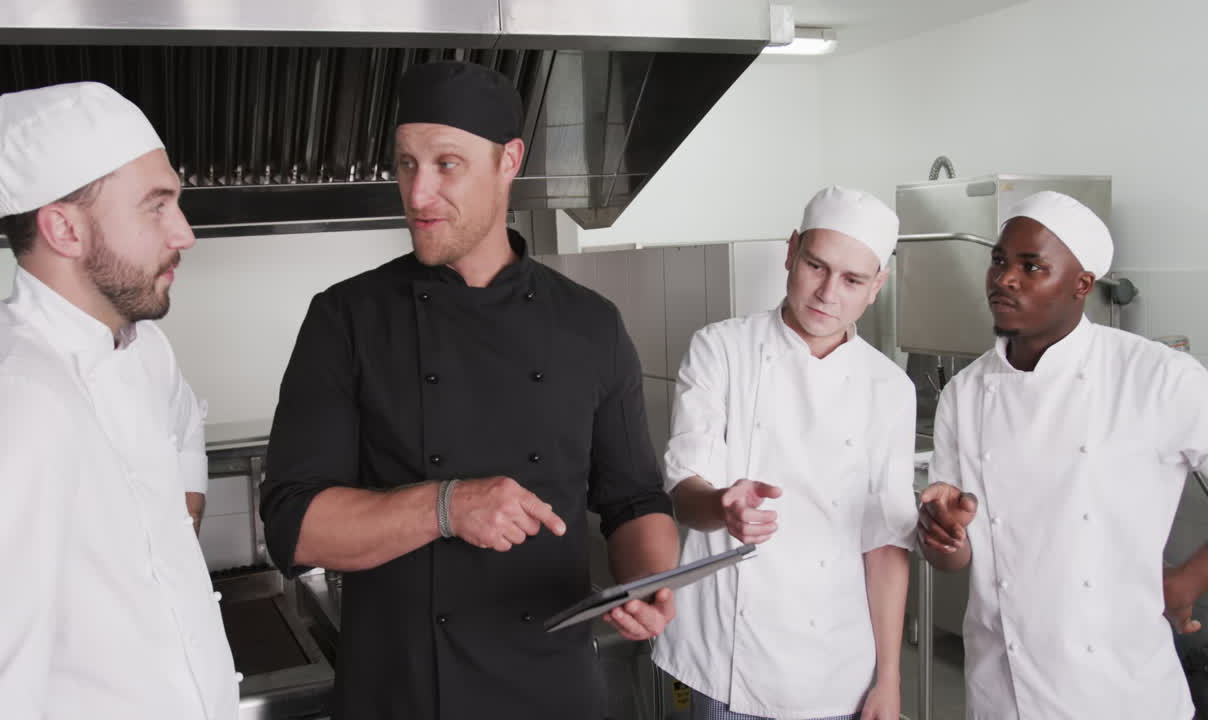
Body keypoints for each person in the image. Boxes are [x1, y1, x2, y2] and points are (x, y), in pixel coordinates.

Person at [259, 60, 680, 720]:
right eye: (405, 164)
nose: (417, 192)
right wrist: (446, 506)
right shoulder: (346, 319)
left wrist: (649, 581)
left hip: (553, 694)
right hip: (404, 694)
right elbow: (294, 523)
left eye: (446, 164)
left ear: (508, 161)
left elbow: (633, 499)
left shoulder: (591, 324)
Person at [0, 82, 237, 718]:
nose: (185, 233)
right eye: (156, 207)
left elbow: (183, 425)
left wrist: (164, 538)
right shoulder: (11, 408)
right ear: (64, 229)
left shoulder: (143, 348)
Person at [917, 190, 1205, 719]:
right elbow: (955, 559)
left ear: (1082, 285)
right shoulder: (966, 391)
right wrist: (942, 533)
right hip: (1003, 692)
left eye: (1033, 267)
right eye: (1000, 260)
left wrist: (1186, 581)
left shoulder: (1157, 376)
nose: (1005, 278)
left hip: (1123, 692)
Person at [653, 186, 916, 720]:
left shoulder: (889, 387)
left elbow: (884, 543)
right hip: (727, 657)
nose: (827, 293)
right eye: (816, 266)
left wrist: (888, 678)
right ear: (791, 251)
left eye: (852, 280)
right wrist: (723, 504)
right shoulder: (721, 349)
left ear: (876, 287)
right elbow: (686, 492)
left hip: (835, 663)